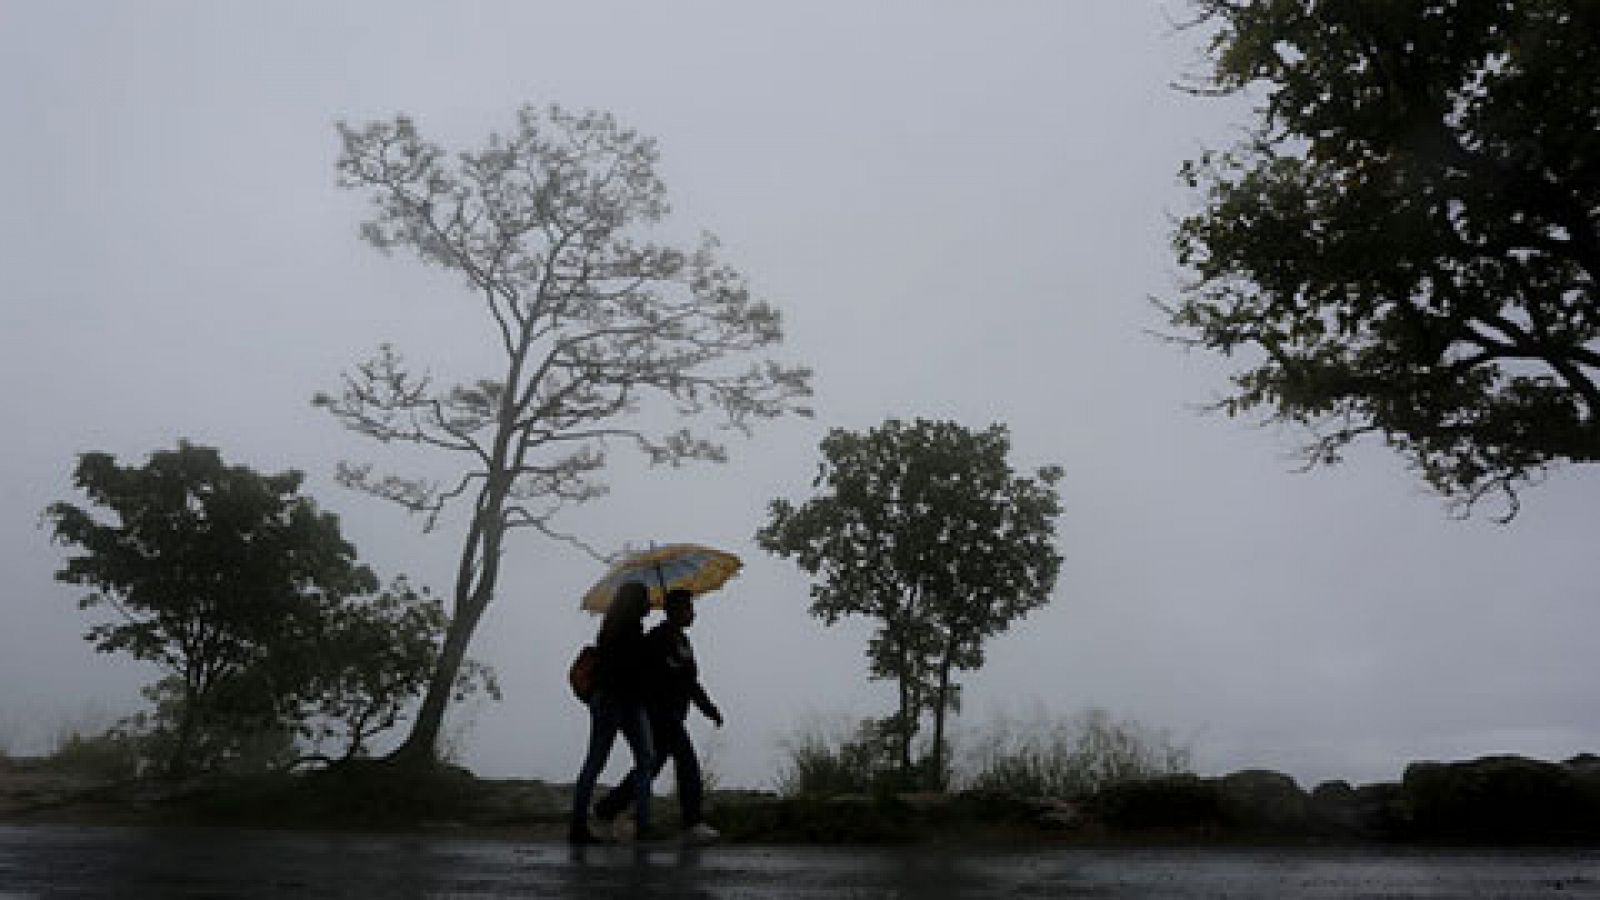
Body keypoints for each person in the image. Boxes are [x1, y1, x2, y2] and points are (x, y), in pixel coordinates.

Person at [595, 588, 724, 842]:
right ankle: (692, 822)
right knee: (687, 762)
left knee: (651, 766)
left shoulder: (683, 642)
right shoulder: (656, 639)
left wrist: (709, 709)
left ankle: (608, 807)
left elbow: (691, 682)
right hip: (660, 714)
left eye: (692, 608)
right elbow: (649, 678)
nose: (693, 614)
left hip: (675, 713)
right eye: (688, 608)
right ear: (673, 611)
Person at [569, 580, 654, 845]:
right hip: (624, 702)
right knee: (644, 759)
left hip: (608, 701)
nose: (649, 604)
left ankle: (578, 825)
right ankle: (643, 825)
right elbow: (633, 672)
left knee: (596, 762)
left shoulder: (610, 631)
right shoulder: (630, 633)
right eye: (645, 599)